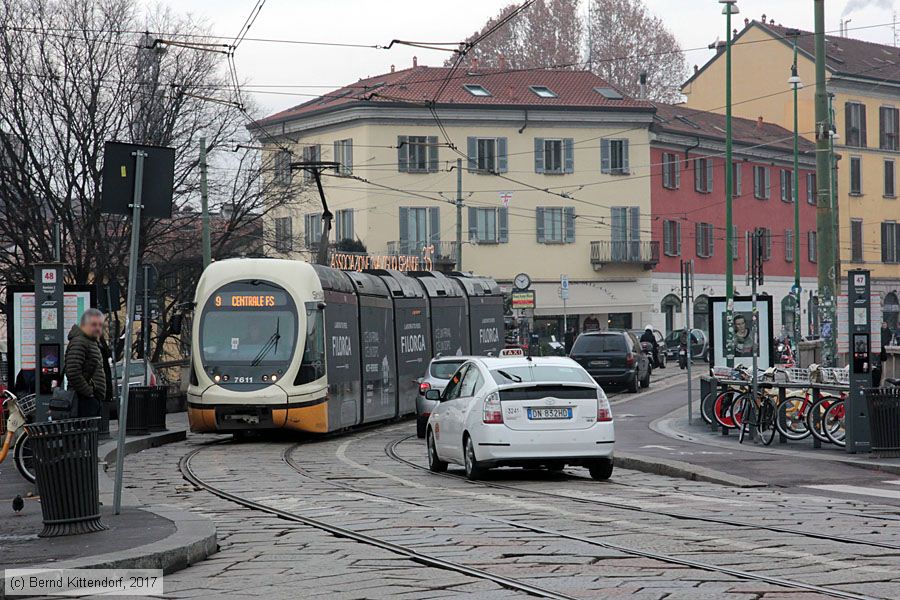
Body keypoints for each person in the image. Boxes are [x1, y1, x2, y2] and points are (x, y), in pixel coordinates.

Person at [64, 308, 107, 419]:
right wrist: (89, 393)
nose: (97, 328)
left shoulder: (90, 341)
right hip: (82, 400)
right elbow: (73, 372)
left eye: (99, 325)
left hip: (88, 400)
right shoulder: (80, 341)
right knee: (84, 433)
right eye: (94, 324)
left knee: (90, 433)